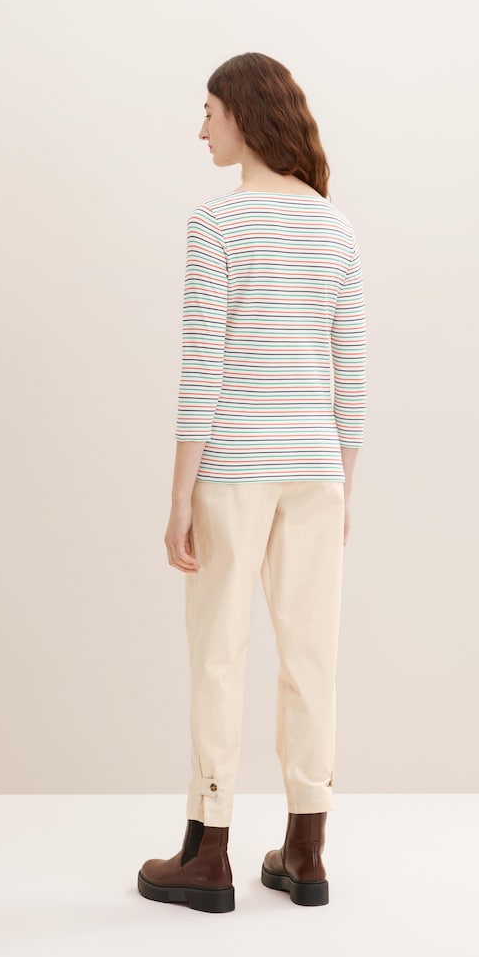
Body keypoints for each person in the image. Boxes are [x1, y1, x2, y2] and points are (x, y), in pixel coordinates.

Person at [137, 52, 366, 913]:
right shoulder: (335, 229)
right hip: (315, 472)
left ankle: (209, 853)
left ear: (241, 113)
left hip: (233, 468)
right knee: (312, 658)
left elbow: (203, 370)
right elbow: (352, 378)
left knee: (219, 655)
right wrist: (342, 488)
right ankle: (307, 851)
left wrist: (178, 498)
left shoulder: (216, 224)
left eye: (208, 111)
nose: (200, 129)